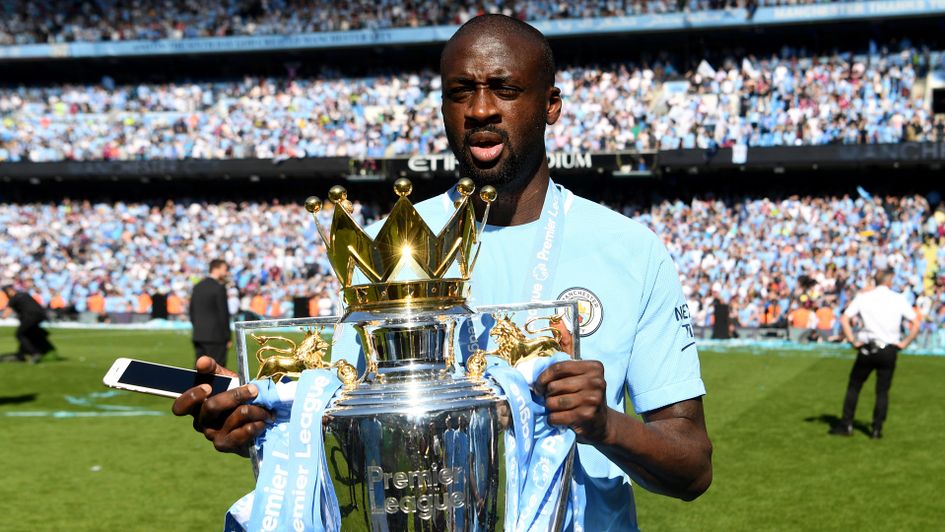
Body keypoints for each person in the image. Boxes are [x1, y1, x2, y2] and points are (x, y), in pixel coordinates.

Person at [173, 15, 712, 530]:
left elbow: (692, 467)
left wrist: (606, 427)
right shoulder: (395, 247)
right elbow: (340, 411)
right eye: (460, 92)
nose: (480, 109)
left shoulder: (631, 250)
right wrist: (260, 416)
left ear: (550, 106)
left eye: (503, 88)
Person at [829, 269, 920, 438]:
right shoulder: (898, 299)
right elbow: (915, 322)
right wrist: (904, 343)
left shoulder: (864, 298)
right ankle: (877, 429)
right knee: (882, 391)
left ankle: (846, 424)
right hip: (889, 349)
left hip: (867, 348)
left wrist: (852, 340)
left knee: (854, 386)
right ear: (889, 281)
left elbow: (844, 318)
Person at [189, 259, 231, 366]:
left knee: (200, 369)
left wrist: (198, 327)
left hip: (199, 335)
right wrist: (227, 337)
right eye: (225, 270)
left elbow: (191, 311)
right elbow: (223, 314)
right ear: (216, 269)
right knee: (217, 370)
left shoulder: (197, 287)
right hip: (216, 337)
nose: (226, 273)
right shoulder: (219, 288)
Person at [1, 285, 55, 363]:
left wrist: (2, 316)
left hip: (29, 317)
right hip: (41, 315)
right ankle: (21, 355)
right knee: (28, 333)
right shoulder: (25, 294)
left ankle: (34, 353)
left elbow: (5, 315)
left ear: (8, 291)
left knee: (20, 334)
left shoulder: (13, 299)